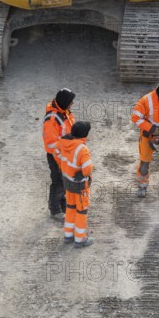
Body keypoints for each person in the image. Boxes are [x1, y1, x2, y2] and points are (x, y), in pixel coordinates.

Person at [54, 121, 94, 248]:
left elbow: (55, 153)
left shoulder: (62, 142)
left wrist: (63, 166)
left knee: (70, 208)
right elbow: (87, 169)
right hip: (80, 186)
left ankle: (68, 235)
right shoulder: (82, 149)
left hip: (67, 182)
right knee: (81, 211)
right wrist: (83, 174)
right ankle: (80, 239)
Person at [42, 88, 76, 222]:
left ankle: (62, 204)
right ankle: (55, 210)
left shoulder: (64, 112)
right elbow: (51, 144)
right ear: (64, 102)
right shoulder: (52, 120)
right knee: (58, 182)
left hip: (64, 154)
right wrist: (61, 161)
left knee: (64, 181)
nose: (72, 104)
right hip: (56, 156)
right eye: (71, 102)